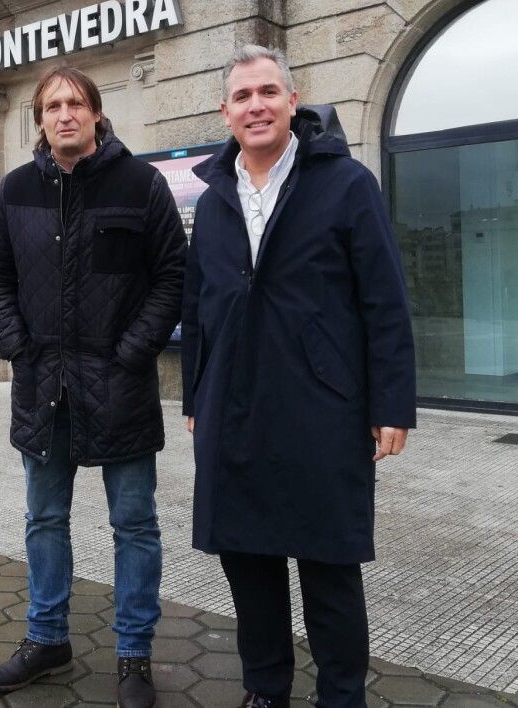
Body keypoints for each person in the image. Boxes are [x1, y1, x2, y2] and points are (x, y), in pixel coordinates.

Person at [181, 45, 416, 708]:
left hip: (324, 407)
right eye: (241, 96)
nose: (254, 105)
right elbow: (198, 304)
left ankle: (341, 697)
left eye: (266, 92)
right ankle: (265, 690)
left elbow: (385, 301)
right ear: (225, 112)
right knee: (248, 565)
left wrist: (391, 401)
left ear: (292, 101)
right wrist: (197, 392)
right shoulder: (217, 195)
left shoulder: (345, 184)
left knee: (329, 571)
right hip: (231, 406)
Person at [0, 64, 187, 707]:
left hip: (119, 386)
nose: (65, 114)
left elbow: (172, 277)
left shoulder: (141, 184)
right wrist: (17, 349)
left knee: (134, 523)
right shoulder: (17, 190)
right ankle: (47, 639)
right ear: (40, 120)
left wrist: (131, 352)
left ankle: (133, 656)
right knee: (45, 518)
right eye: (52, 105)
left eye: (76, 103)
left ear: (97, 113)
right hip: (44, 389)